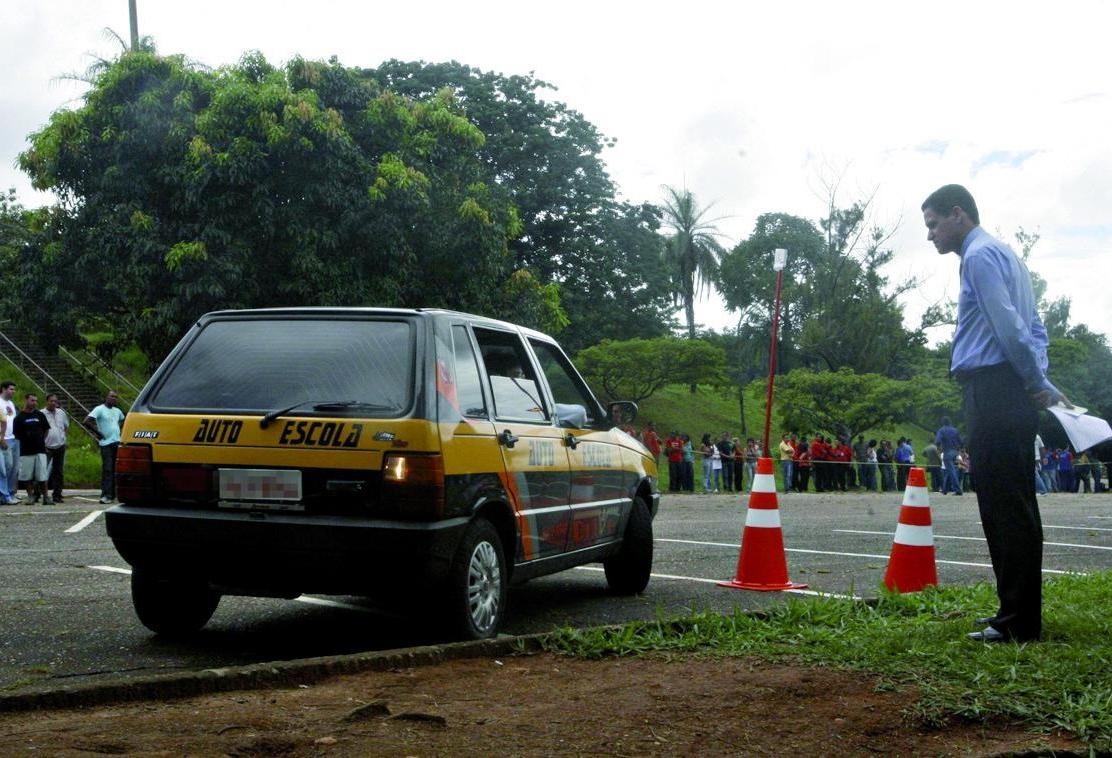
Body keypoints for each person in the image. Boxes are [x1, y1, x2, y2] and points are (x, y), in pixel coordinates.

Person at [923, 183, 1067, 643]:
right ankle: (1017, 613)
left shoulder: (979, 256)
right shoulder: (1008, 256)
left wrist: (1035, 382)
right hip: (1009, 386)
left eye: (933, 224)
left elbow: (1009, 327)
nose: (930, 235)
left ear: (958, 214)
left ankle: (1016, 622)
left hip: (994, 388)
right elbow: (1035, 328)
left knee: (1003, 503)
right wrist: (1038, 378)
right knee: (1016, 501)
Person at [84, 389, 126, 505]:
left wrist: (118, 430)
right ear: (106, 397)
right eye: (112, 396)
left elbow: (123, 420)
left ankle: (113, 494)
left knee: (115, 469)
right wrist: (99, 433)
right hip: (106, 444)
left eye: (116, 397)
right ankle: (106, 495)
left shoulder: (117, 411)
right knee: (107, 469)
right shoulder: (99, 409)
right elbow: (86, 421)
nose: (114, 399)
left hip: (116, 442)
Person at [13, 393, 50, 504]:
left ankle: (46, 497)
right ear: (26, 400)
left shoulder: (40, 415)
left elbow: (46, 429)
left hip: (40, 450)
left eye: (36, 401)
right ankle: (30, 496)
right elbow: (16, 434)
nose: (34, 403)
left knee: (42, 475)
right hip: (26, 451)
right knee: (26, 476)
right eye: (32, 400)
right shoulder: (19, 417)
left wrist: (41, 440)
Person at [43, 393, 69, 503]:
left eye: (55, 401)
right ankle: (38, 493)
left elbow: (66, 426)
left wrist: (63, 438)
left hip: (60, 446)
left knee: (58, 472)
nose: (53, 403)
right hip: (46, 446)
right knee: (42, 471)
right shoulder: (42, 413)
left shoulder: (61, 413)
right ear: (47, 402)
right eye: (51, 401)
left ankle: (57, 494)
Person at [935, 417, 964, 496]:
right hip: (955, 452)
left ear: (943, 422)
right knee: (949, 470)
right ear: (950, 422)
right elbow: (961, 441)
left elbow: (938, 441)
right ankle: (945, 489)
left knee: (951, 471)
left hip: (947, 452)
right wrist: (960, 449)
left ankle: (958, 490)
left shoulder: (941, 430)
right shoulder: (955, 430)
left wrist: (939, 448)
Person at [1, 380, 19, 503]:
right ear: (3, 389)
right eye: (11, 389)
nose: (13, 391)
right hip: (5, 439)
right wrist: (1, 438)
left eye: (14, 389)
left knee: (14, 469)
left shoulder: (11, 403)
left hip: (14, 438)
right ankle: (4, 495)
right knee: (6, 467)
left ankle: (11, 493)